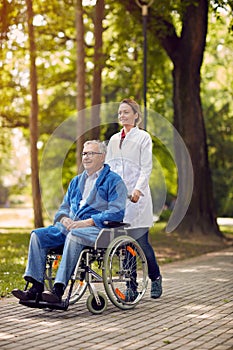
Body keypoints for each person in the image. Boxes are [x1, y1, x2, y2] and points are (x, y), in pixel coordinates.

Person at [12, 140, 127, 304]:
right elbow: (63, 207)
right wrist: (64, 218)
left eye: (91, 153)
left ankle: (58, 290)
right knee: (37, 235)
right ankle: (35, 287)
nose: (86, 157)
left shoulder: (114, 181)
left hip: (98, 230)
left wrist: (88, 222)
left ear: (102, 157)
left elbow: (117, 211)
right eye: (84, 153)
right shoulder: (76, 181)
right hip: (68, 228)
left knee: (75, 235)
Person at [106, 98, 162, 299]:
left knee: (141, 244)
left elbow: (146, 167)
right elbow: (109, 167)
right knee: (123, 246)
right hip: (119, 200)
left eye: (126, 112)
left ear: (136, 115)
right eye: (120, 112)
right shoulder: (113, 140)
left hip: (137, 199)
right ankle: (131, 287)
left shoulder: (143, 137)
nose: (122, 116)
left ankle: (155, 277)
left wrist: (138, 190)